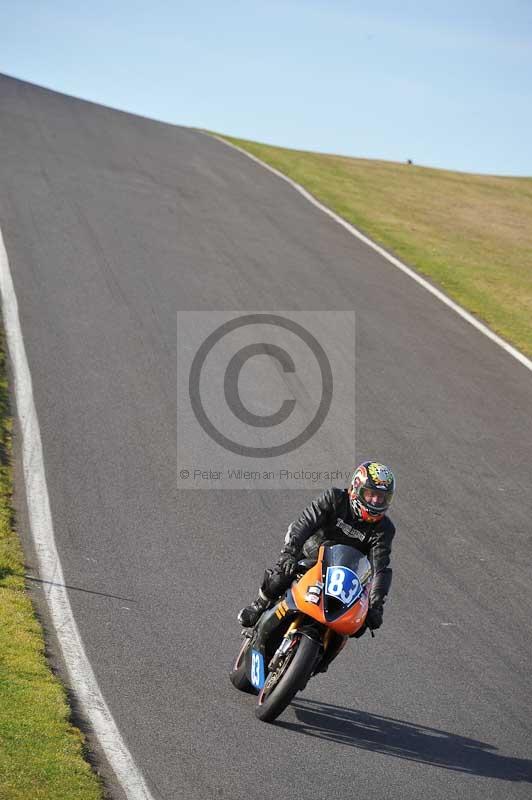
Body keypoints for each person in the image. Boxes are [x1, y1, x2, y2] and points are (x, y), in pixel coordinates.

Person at [238, 461, 396, 636]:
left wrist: (376, 605)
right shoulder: (334, 498)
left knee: (357, 623)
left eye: (382, 497)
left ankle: (323, 657)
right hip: (309, 554)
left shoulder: (384, 529)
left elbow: (380, 568)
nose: (376, 501)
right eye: (371, 494)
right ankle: (260, 603)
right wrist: (289, 553)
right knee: (281, 576)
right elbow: (305, 523)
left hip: (344, 576)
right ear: (356, 487)